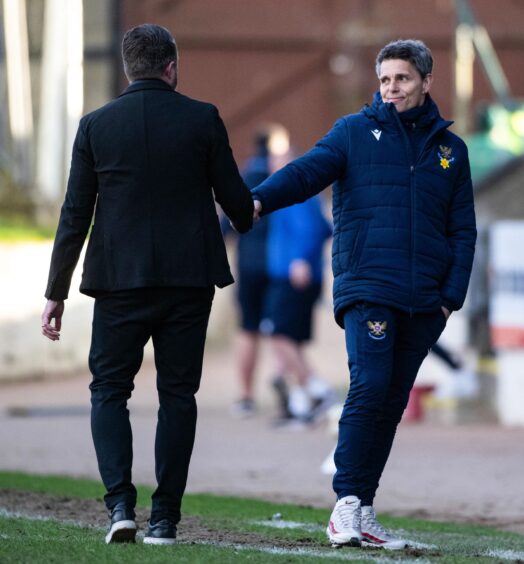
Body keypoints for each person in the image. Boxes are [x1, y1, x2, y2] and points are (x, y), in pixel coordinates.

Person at [252, 39, 476, 549]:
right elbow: (308, 172)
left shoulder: (450, 151)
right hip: (369, 285)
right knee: (371, 386)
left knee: (391, 400)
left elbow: (464, 229)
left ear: (425, 81)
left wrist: (450, 297)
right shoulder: (354, 132)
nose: (392, 88)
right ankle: (345, 504)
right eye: (385, 80)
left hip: (425, 300)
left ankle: (364, 507)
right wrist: (259, 200)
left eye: (401, 79)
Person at [41, 24, 253, 545]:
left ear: (126, 68)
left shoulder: (95, 126)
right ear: (172, 67)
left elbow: (75, 215)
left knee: (109, 391)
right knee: (178, 394)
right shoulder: (202, 119)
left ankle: (119, 507)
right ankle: (165, 519)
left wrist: (56, 292)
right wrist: (248, 210)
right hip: (188, 282)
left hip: (118, 283)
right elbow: (240, 209)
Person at [261, 173, 334, 424]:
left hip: (293, 277)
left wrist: (301, 258)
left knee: (279, 334)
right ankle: (301, 403)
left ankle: (317, 391)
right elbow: (326, 228)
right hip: (297, 276)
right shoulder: (306, 196)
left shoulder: (295, 194)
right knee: (291, 339)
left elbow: (314, 230)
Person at [228, 125, 284, 417]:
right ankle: (286, 395)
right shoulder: (285, 175)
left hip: (249, 264)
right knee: (281, 331)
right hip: (281, 265)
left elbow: (227, 225)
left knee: (248, 329)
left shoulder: (245, 175)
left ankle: (246, 396)